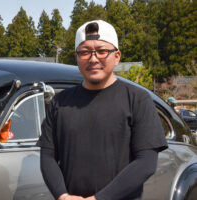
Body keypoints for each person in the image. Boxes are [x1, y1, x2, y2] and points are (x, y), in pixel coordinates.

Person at [37, 20, 168, 200]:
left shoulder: (138, 99)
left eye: (102, 51)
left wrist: (99, 198)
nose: (93, 58)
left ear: (117, 56)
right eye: (84, 52)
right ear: (76, 57)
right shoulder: (60, 102)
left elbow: (146, 162)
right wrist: (63, 196)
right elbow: (47, 156)